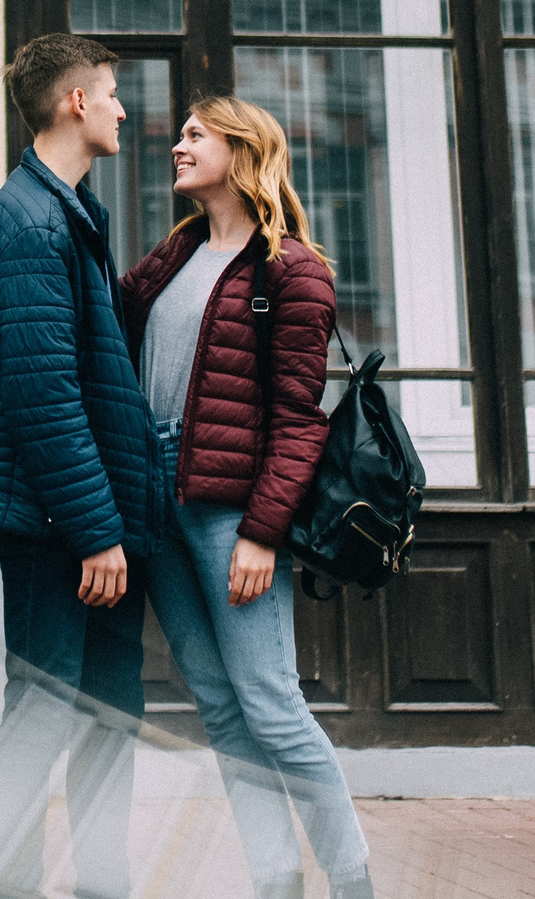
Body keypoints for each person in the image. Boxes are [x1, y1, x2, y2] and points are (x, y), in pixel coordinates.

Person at [119, 96, 375, 899]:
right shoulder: (175, 252)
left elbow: (299, 421)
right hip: (158, 495)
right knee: (222, 713)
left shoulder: (292, 269)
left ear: (243, 148)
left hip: (230, 508)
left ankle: (352, 880)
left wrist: (262, 533)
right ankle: (274, 879)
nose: (177, 145)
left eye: (196, 135)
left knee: (271, 705)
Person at [0, 33, 164, 899]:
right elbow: (43, 394)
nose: (121, 108)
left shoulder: (65, 208)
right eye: (109, 93)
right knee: (39, 715)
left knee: (110, 718)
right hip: (55, 528)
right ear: (74, 102)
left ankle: (103, 886)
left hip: (86, 519)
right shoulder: (30, 219)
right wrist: (96, 530)